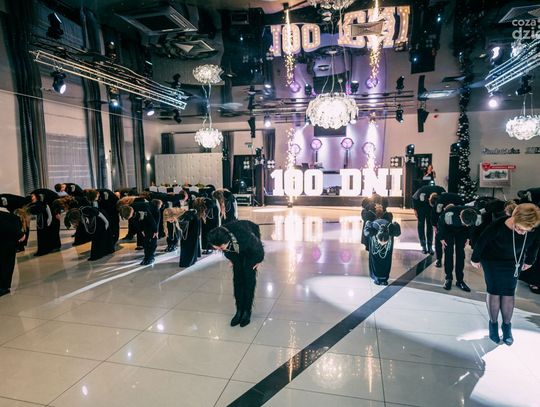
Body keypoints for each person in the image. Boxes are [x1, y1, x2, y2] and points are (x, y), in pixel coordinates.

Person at [471, 203, 540, 345]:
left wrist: (530, 260)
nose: (522, 232)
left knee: (509, 292)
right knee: (494, 291)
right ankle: (493, 324)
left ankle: (507, 327)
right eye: (520, 228)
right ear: (515, 219)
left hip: (514, 262)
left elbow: (535, 244)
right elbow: (482, 240)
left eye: (525, 230)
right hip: (492, 260)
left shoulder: (533, 228)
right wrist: (475, 258)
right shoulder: (498, 226)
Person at [207, 220, 264, 327]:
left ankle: (247, 312)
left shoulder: (245, 235)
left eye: (221, 248)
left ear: (228, 240)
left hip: (251, 251)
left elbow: (258, 247)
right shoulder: (218, 236)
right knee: (237, 280)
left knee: (248, 279)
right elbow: (226, 251)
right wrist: (231, 258)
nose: (220, 250)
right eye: (217, 248)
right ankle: (239, 311)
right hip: (235, 249)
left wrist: (258, 260)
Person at [437, 205, 481, 292]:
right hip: (448, 230)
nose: (467, 225)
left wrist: (468, 238)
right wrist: (441, 238)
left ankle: (460, 281)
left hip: (463, 231)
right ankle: (448, 278)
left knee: (460, 254)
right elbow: (440, 224)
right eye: (465, 223)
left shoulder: (476, 214)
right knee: (448, 253)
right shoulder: (448, 214)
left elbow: (472, 228)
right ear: (460, 216)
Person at [429, 192, 465, 267]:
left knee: (438, 240)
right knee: (459, 247)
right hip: (459, 222)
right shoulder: (447, 196)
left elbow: (434, 217)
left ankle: (439, 260)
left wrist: (435, 227)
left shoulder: (438, 203)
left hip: (446, 221)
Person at [364, 218, 401, 285]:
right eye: (381, 242)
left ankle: (384, 278)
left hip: (388, 248)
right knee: (375, 260)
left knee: (386, 260)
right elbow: (366, 228)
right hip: (375, 247)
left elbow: (398, 230)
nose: (382, 244)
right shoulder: (372, 229)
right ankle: (376, 277)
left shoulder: (391, 228)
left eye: (384, 242)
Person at [412, 184, 445, 254]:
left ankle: (429, 247)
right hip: (421, 207)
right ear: (429, 198)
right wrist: (415, 210)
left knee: (430, 226)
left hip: (430, 209)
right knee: (421, 225)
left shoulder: (441, 191)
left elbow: (445, 200)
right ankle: (423, 246)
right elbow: (414, 198)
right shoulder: (422, 190)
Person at [0, 211, 25, 296]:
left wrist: (20, 234)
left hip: (8, 239)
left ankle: (4, 287)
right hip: (5, 237)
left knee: (6, 263)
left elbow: (7, 225)